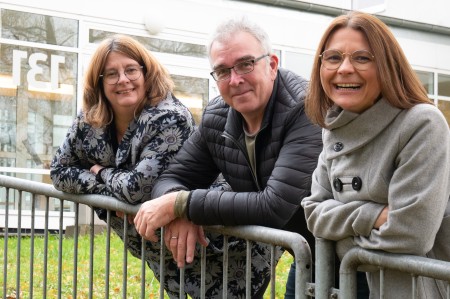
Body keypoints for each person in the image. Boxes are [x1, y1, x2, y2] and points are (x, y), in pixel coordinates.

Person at [133, 16, 323, 298]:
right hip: (310, 256)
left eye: (246, 64)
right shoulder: (218, 116)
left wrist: (181, 204)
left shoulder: (306, 109)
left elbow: (274, 206)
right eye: (222, 71)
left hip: (363, 261)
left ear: (271, 65)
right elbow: (174, 177)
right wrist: (180, 209)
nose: (235, 80)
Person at [302, 11, 450, 299]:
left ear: (387, 66)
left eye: (362, 58)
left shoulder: (422, 123)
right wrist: (375, 215)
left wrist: (345, 244)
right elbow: (314, 213)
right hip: (349, 287)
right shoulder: (334, 125)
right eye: (333, 57)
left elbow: (411, 233)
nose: (344, 68)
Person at [50, 34, 197, 298]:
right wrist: (109, 196)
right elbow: (59, 172)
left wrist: (100, 171)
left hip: (218, 247)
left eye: (131, 69)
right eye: (111, 74)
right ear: (100, 82)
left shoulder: (170, 117)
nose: (123, 80)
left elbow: (137, 191)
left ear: (146, 71)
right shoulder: (88, 121)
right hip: (160, 250)